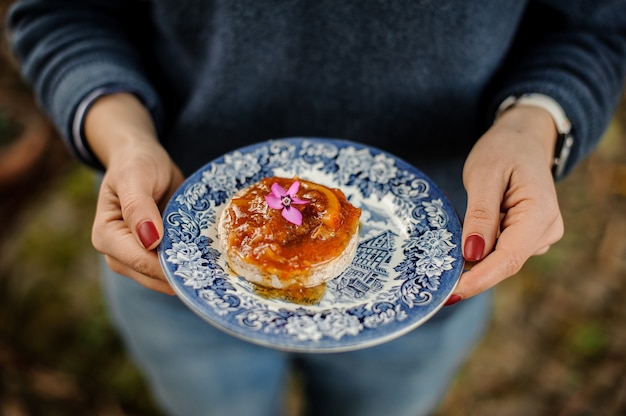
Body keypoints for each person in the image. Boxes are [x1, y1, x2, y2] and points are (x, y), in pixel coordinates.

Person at [7, 1, 626, 415]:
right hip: (179, 252)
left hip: (425, 269)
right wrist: (123, 136)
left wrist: (534, 123)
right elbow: (60, 12)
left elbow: (596, 25)